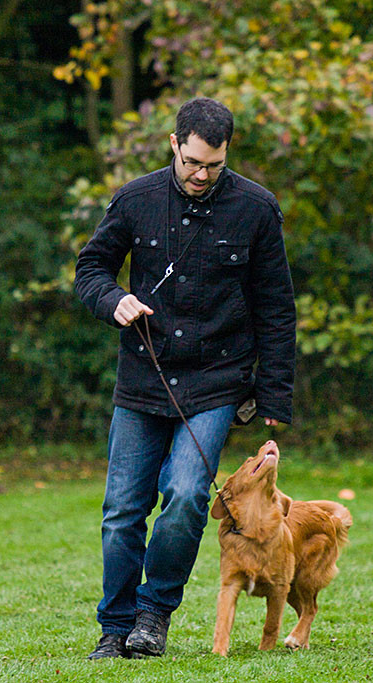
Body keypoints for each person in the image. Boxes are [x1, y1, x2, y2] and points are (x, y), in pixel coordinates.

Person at [74, 97, 296, 658]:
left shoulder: (256, 209)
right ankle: (114, 627)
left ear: (227, 155)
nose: (201, 175)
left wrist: (272, 391)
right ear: (174, 144)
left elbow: (276, 306)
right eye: (193, 162)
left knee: (187, 494)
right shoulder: (135, 199)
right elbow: (91, 269)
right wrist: (114, 299)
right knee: (123, 507)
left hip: (218, 379)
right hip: (143, 378)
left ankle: (153, 615)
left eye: (214, 166)